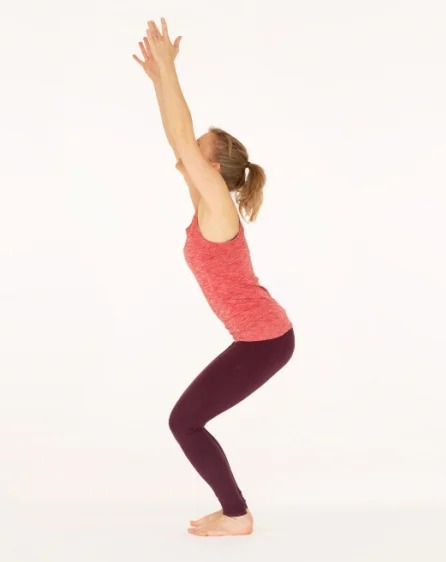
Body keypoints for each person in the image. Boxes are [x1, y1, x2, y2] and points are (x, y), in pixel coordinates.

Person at [132, 18, 296, 537]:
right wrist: (160, 79)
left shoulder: (219, 206)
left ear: (214, 170)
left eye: (197, 150)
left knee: (184, 422)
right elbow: (177, 136)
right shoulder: (206, 202)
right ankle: (234, 512)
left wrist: (170, 70)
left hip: (265, 341)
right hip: (258, 337)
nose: (184, 152)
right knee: (186, 420)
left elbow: (182, 139)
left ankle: (236, 515)